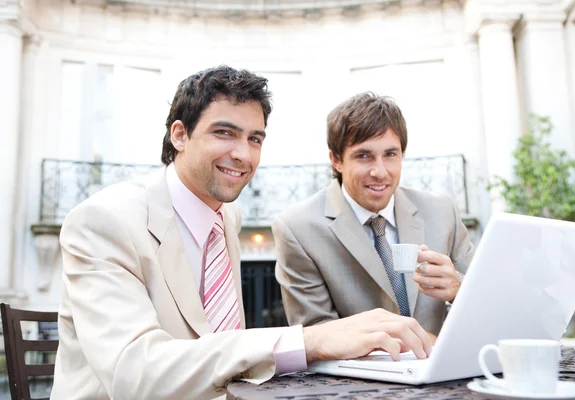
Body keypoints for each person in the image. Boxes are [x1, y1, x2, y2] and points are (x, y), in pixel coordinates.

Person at [51, 67, 433, 400]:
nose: (244, 155)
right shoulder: (102, 221)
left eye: (255, 139)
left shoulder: (226, 218)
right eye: (225, 133)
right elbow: (133, 376)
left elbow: (217, 352)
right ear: (179, 135)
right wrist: (308, 340)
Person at [273, 92, 475, 336]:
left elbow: (487, 303)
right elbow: (315, 336)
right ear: (336, 160)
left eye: (390, 154)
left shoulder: (443, 212)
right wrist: (413, 344)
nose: (380, 172)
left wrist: (459, 288)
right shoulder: (297, 228)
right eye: (364, 156)